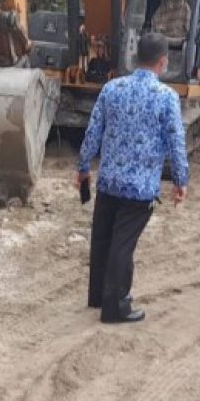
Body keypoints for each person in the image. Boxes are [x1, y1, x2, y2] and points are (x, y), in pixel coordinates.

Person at [76, 33, 189, 324]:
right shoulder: (166, 97)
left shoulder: (112, 88)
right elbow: (176, 142)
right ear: (163, 62)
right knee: (122, 245)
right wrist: (180, 180)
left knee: (102, 238)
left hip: (109, 180)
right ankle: (116, 307)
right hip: (140, 188)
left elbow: (93, 131)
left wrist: (83, 167)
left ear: (136, 57)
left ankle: (98, 298)